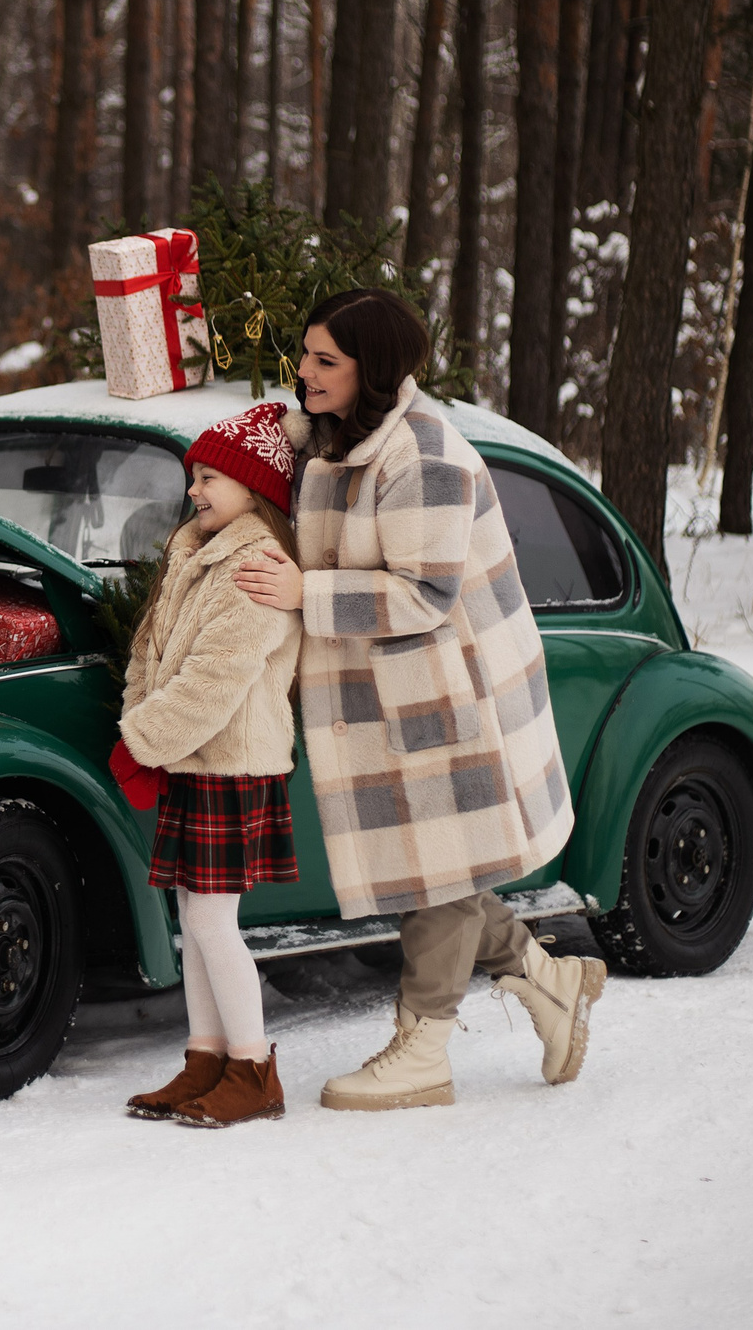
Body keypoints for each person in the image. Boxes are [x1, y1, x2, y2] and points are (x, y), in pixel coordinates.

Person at [233, 287, 607, 1111]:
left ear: (375, 368)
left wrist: (305, 591)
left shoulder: (424, 456)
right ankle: (552, 982)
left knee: (432, 878)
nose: (305, 371)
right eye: (305, 353)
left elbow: (424, 595)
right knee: (442, 871)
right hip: (393, 692)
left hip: (448, 695)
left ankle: (424, 1047)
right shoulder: (341, 432)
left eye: (326, 360)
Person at [109, 401, 307, 1128]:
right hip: (190, 760)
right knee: (194, 917)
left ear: (255, 488)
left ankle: (254, 1067)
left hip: (231, 763)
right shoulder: (191, 549)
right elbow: (150, 652)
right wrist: (141, 723)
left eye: (213, 475)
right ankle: (205, 1057)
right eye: (193, 475)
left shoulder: (256, 564)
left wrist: (143, 739)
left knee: (215, 921)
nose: (195, 488)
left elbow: (215, 679)